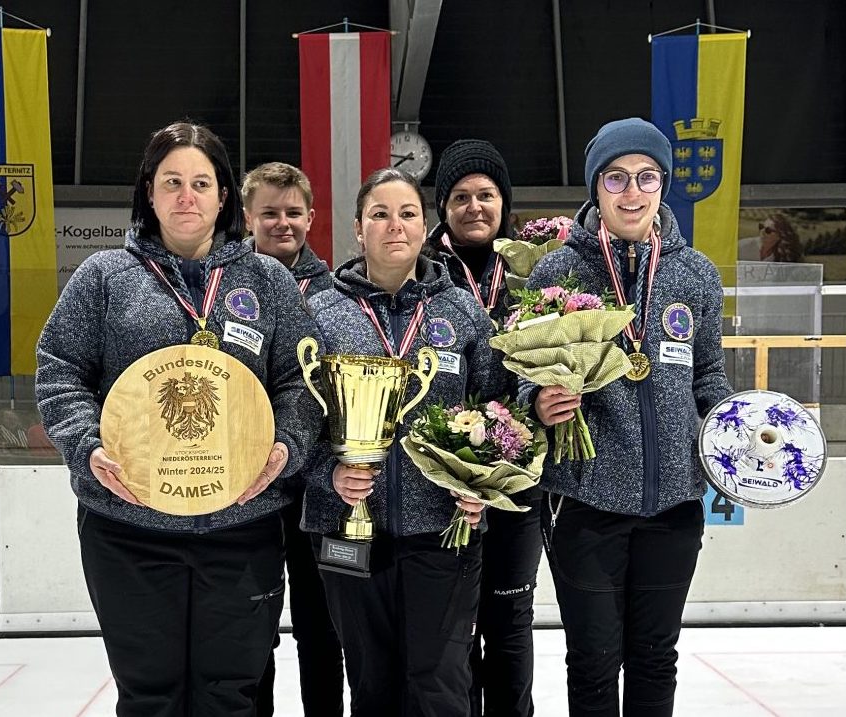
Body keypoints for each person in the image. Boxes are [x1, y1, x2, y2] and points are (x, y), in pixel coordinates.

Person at [35, 121, 323, 717]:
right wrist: (87, 446)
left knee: (231, 695)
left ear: (224, 197)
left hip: (241, 527)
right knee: (150, 696)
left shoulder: (266, 280)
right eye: (172, 182)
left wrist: (287, 446)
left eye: (201, 182)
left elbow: (302, 379)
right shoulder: (104, 277)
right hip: (129, 528)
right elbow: (60, 369)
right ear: (149, 192)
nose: (186, 196)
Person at [522, 118, 733, 716]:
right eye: (616, 177)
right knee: (593, 658)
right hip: (584, 503)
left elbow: (708, 374)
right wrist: (537, 403)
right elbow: (522, 375)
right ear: (596, 188)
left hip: (674, 504)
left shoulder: (695, 275)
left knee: (655, 656)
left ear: (663, 184)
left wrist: (731, 422)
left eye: (645, 176)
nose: (631, 191)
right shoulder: (556, 272)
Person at [303, 167, 503, 716]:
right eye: (380, 214)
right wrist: (329, 474)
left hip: (443, 530)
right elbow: (292, 420)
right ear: (358, 229)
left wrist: (480, 484)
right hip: (346, 529)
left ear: (425, 226)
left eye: (408, 213)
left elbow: (498, 408)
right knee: (371, 685)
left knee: (439, 684)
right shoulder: (319, 313)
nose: (395, 226)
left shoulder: (461, 311)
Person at [425, 139, 540, 717]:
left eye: (487, 195)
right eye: (461, 196)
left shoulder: (533, 273)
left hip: (520, 473)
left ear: (504, 203)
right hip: (444, 474)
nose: (475, 206)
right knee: (454, 625)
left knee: (511, 616)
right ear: (442, 206)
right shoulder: (422, 275)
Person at [241, 161, 342, 717]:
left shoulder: (336, 290)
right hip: (247, 481)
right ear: (247, 216)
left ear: (311, 217)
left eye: (293, 213)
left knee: (320, 622)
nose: (283, 223)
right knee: (254, 622)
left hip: (318, 483)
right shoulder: (222, 287)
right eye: (270, 213)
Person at [739, 213, 803, 263]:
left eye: (768, 230)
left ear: (780, 236)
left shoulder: (782, 256)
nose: (762, 232)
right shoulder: (742, 246)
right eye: (761, 227)